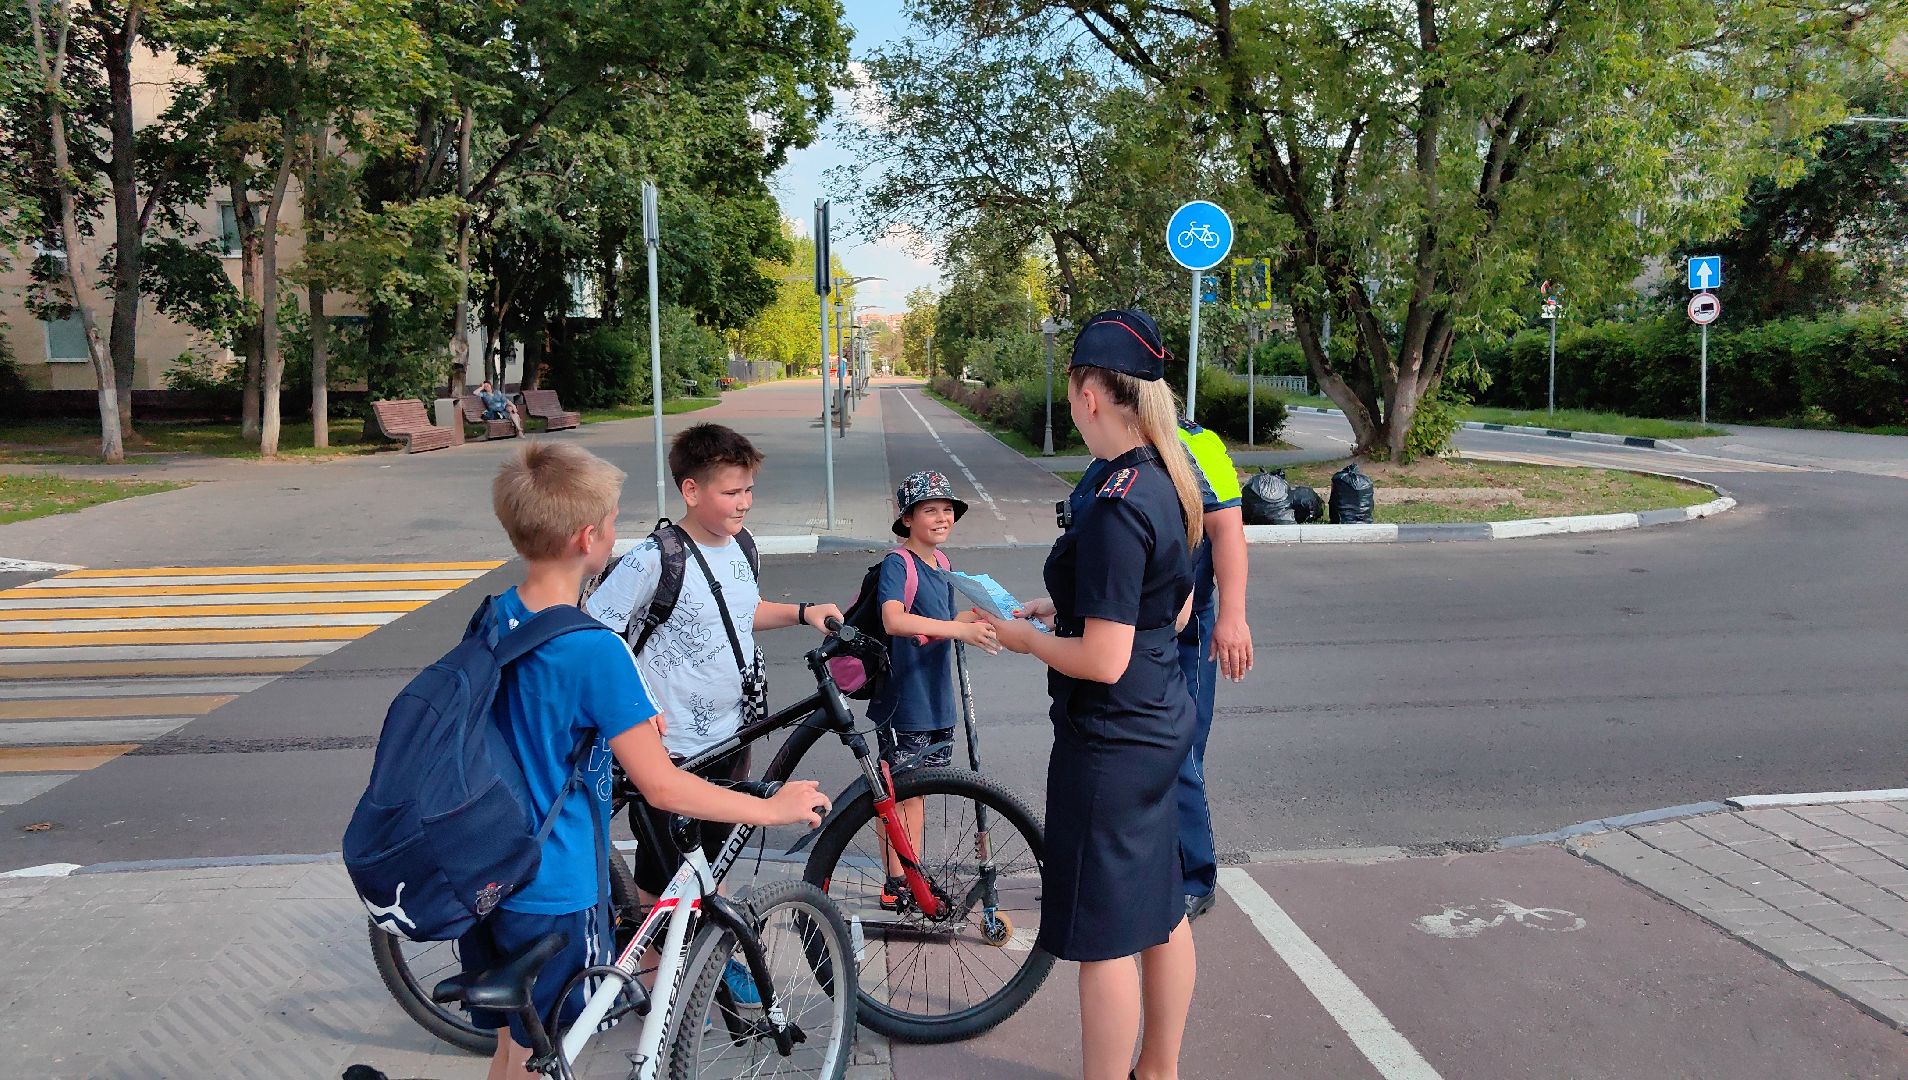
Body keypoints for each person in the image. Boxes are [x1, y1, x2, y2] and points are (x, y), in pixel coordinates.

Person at [471, 439, 828, 1080]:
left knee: (516, 1047)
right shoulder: (596, 651)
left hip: (493, 860)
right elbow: (663, 788)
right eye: (611, 522)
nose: (619, 535)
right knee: (543, 1055)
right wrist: (771, 807)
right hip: (555, 881)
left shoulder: (495, 615)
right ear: (588, 538)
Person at [979, 309, 1204, 1080]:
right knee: (1161, 911)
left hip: (1110, 739)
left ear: (1087, 395)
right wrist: (1065, 609)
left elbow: (1103, 661)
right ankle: (1159, 1072)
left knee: (1106, 936)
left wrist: (1025, 638)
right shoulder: (1166, 477)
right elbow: (1168, 607)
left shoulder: (1114, 503)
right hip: (1161, 714)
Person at [582, 424, 842, 994]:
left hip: (730, 737)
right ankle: (655, 993)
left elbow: (739, 611)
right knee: (661, 883)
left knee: (711, 865)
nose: (743, 503)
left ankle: (702, 971)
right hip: (666, 752)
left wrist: (802, 612)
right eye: (730, 492)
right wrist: (636, 704)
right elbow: (595, 638)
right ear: (692, 490)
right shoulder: (657, 557)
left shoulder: (743, 546)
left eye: (748, 490)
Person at [1062, 416, 1255, 924]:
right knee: (1133, 760)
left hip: (1183, 631)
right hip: (1128, 625)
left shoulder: (1198, 443)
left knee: (1179, 754)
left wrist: (1232, 618)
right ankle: (1145, 877)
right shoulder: (1114, 446)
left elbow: (1227, 529)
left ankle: (1193, 878)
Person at [871, 470, 1000, 909]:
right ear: (907, 518)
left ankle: (912, 876)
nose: (942, 518)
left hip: (937, 697)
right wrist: (955, 628)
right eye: (931, 510)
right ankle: (895, 883)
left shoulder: (942, 564)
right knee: (897, 791)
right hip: (904, 699)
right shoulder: (898, 563)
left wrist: (982, 617)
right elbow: (894, 619)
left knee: (918, 791)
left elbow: (943, 623)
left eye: (948, 510)